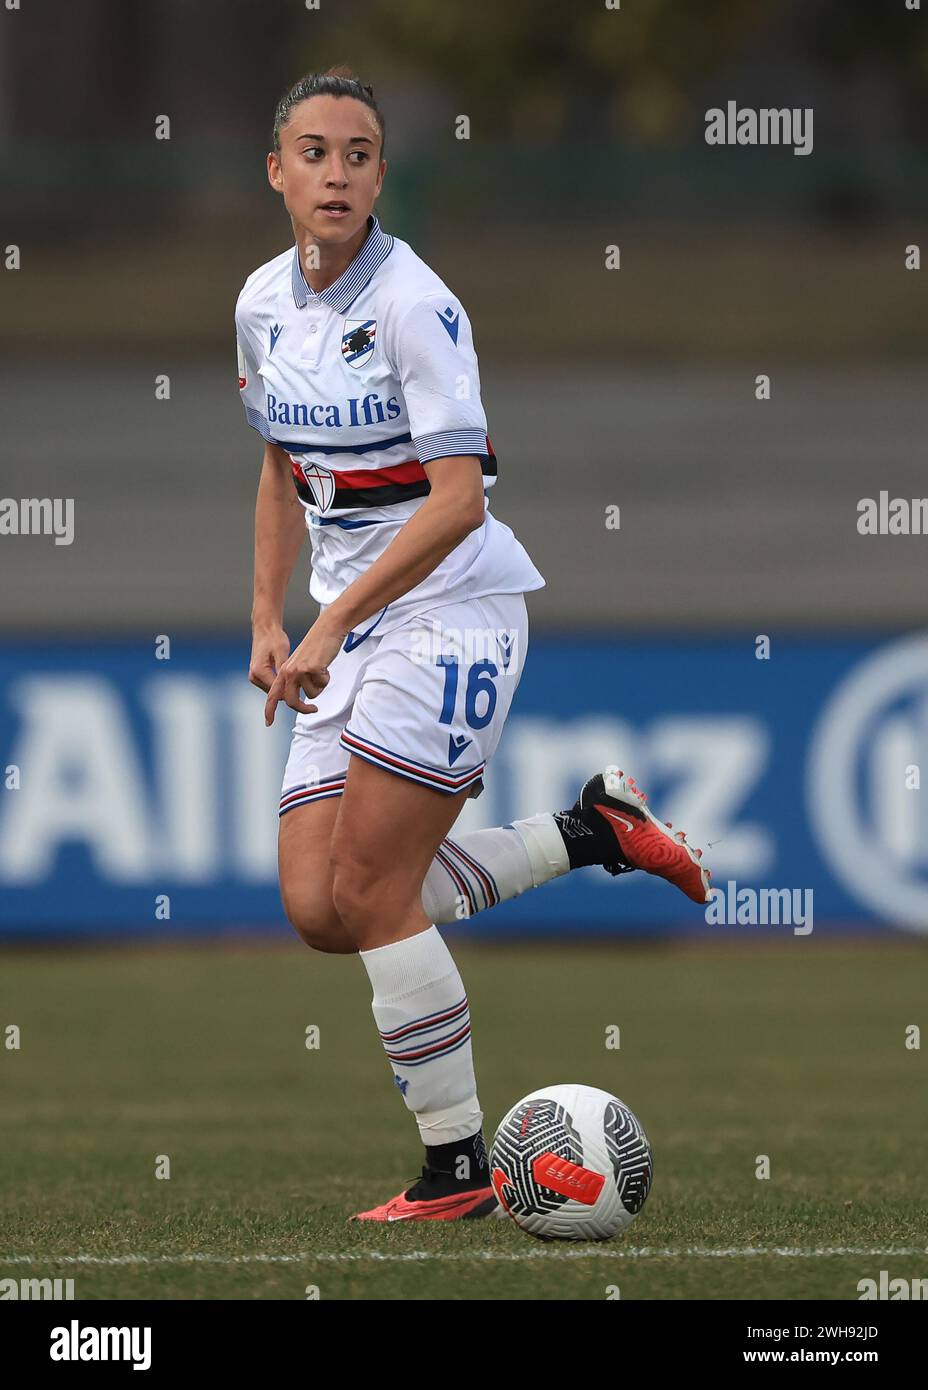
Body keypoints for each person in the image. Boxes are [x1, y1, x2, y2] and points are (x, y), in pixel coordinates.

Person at [236, 68, 710, 1222]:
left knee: (369, 884)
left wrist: (335, 618)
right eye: (313, 151)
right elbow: (279, 465)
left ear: (382, 174)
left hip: (451, 611)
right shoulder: (258, 302)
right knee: (319, 907)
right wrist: (267, 613)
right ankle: (593, 829)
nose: (335, 172)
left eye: (357, 153)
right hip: (346, 628)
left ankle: (455, 1169)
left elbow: (456, 499)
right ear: (277, 171)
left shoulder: (417, 305)